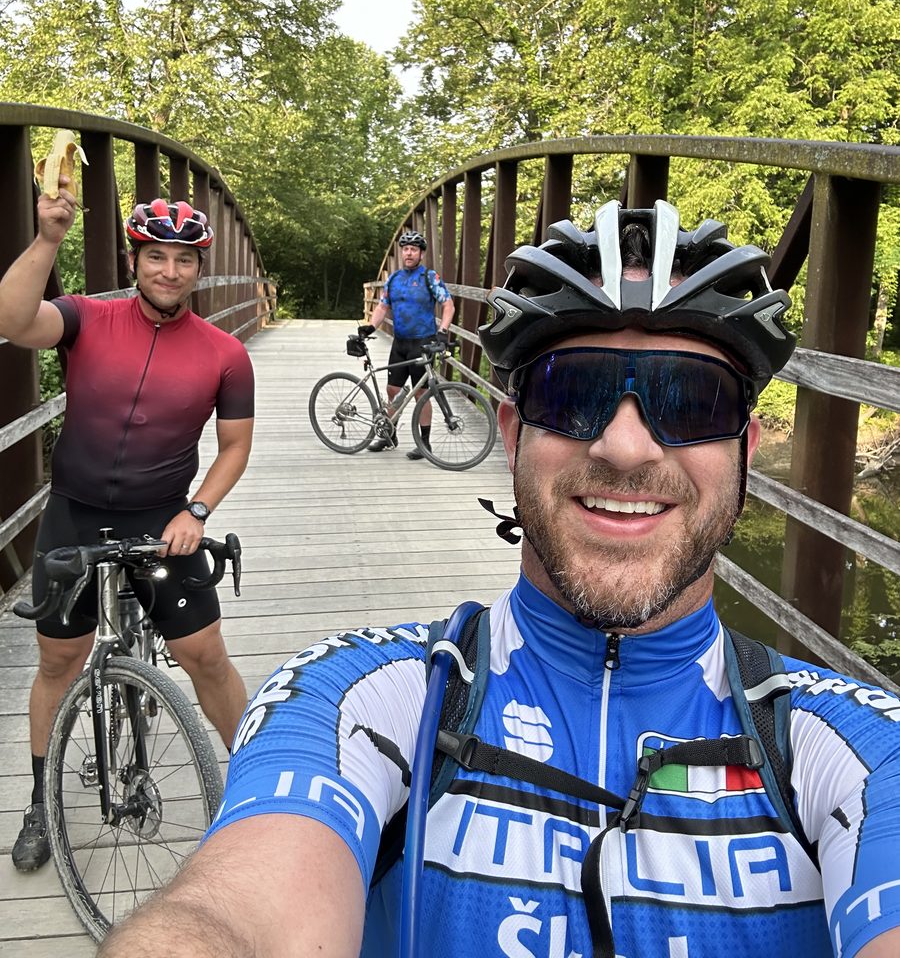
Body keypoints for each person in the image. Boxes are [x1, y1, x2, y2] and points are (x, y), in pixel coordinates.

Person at [98, 200, 900, 958]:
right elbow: (231, 914)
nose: (626, 449)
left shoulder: (854, 750)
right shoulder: (366, 700)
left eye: (689, 403)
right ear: (512, 434)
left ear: (745, 450)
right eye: (575, 394)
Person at [0, 188, 254, 874]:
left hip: (162, 518)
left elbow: (233, 446)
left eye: (183, 260)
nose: (169, 272)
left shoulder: (225, 353)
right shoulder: (87, 319)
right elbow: (12, 318)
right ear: (135, 259)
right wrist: (49, 236)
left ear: (199, 270)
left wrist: (196, 513)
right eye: (156, 257)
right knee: (59, 662)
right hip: (75, 512)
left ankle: (263, 790)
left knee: (205, 655)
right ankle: (38, 801)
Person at [364, 229, 454, 459]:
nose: (409, 253)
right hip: (400, 342)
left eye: (414, 249)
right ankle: (388, 434)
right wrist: (370, 328)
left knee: (421, 393)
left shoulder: (429, 277)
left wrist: (443, 332)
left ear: (421, 253)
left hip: (423, 342)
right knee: (393, 389)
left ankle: (424, 444)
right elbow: (383, 307)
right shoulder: (394, 279)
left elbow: (448, 305)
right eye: (405, 249)